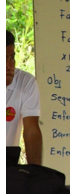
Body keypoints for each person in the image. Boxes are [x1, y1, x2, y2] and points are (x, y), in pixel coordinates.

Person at [6, 30, 42, 165]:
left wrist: (35, 174)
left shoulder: (25, 82)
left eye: (11, 58)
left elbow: (31, 131)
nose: (9, 66)